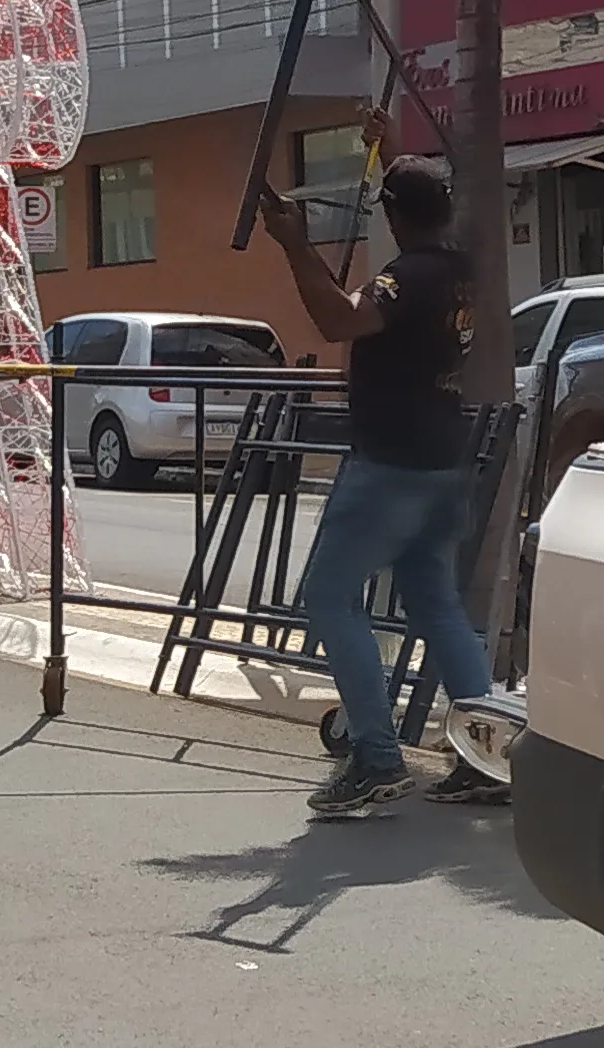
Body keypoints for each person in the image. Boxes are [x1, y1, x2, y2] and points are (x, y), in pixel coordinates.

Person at [258, 112, 504, 813]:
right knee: (436, 603)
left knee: (330, 596)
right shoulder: (458, 267)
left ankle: (375, 757)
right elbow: (414, 196)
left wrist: (295, 244)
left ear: (394, 219)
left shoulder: (408, 278)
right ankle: (486, 759)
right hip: (443, 458)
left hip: (391, 463)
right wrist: (392, 152)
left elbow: (341, 319)